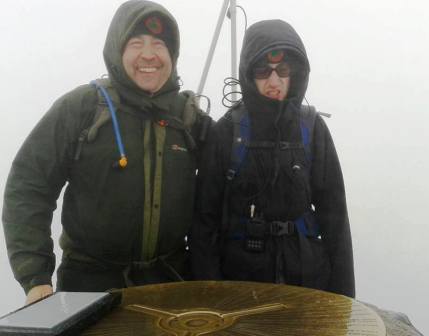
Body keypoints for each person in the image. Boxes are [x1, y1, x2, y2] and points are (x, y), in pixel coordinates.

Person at [2, 0, 209, 304]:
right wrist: (35, 277)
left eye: (159, 45)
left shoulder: (189, 117)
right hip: (88, 287)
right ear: (117, 49)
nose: (149, 55)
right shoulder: (83, 108)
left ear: (172, 55)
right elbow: (28, 186)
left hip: (169, 285)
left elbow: (228, 187)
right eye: (136, 43)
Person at [191, 19, 355, 298]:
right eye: (262, 71)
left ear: (296, 73)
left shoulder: (312, 129)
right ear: (248, 74)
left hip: (308, 283)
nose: (274, 81)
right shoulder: (226, 132)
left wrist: (344, 305)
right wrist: (211, 298)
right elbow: (203, 225)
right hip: (240, 287)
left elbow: (335, 221)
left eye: (283, 70)